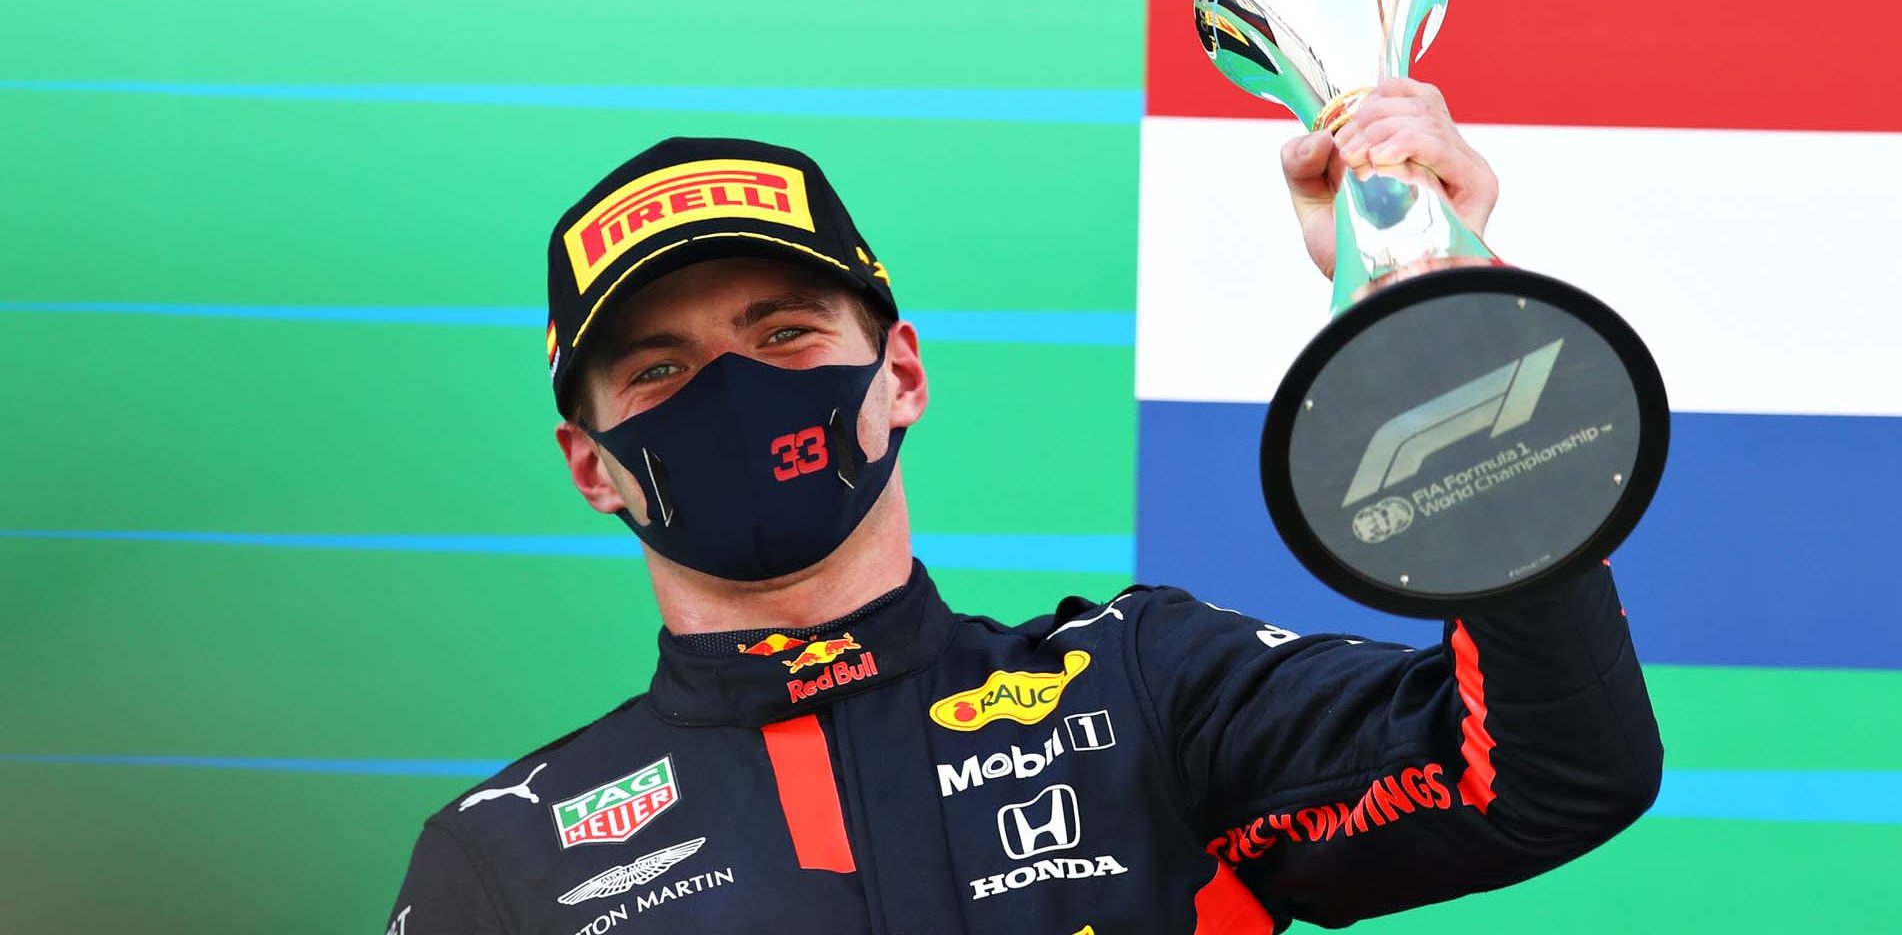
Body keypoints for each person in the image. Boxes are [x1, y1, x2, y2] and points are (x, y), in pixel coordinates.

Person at [384, 79, 1660, 935]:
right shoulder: (508, 858)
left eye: (783, 333)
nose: (730, 392)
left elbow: (1548, 776)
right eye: (660, 370)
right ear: (590, 462)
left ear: (901, 374)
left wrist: (1439, 315)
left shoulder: (1138, 689)